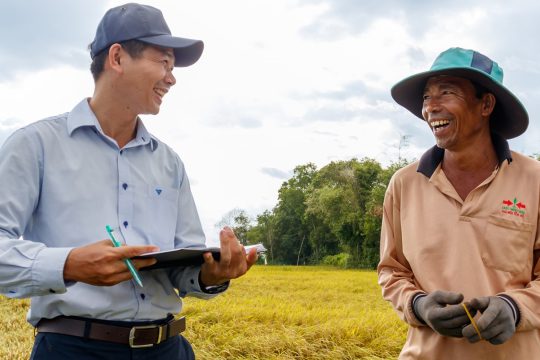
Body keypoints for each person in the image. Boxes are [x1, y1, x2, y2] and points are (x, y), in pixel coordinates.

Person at [0, 3, 258, 359]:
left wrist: (211, 275)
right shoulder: (35, 145)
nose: (172, 77)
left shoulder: (169, 163)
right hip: (72, 350)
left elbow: (182, 267)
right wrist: (68, 264)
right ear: (118, 58)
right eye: (164, 62)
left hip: (169, 349)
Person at [378, 47, 540, 359]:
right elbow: (391, 269)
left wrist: (515, 308)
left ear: (486, 104)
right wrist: (419, 305)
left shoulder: (534, 180)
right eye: (426, 97)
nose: (430, 107)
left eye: (447, 92)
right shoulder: (405, 184)